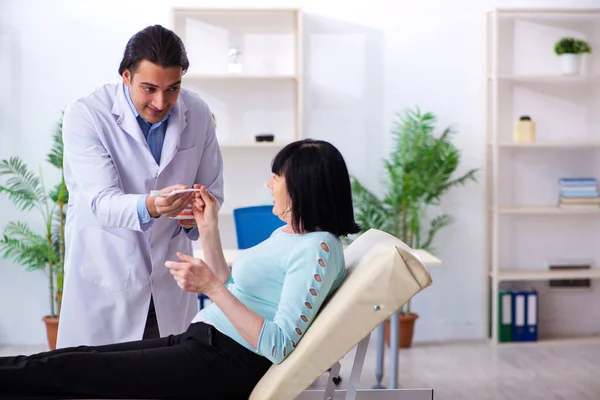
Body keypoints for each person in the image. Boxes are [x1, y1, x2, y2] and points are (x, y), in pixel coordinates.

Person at [0, 139, 360, 400]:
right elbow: (232, 286)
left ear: (305, 186)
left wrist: (213, 289)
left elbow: (279, 345)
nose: (269, 184)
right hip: (205, 340)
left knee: (76, 372)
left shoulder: (320, 248)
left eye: (277, 176)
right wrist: (208, 229)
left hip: (226, 362)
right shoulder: (288, 233)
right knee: (79, 358)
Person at [57, 24, 224, 348]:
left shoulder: (199, 112)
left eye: (173, 88)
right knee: (101, 387)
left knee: (167, 382)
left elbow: (213, 190)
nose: (161, 102)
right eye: (149, 88)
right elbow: (101, 201)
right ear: (126, 76)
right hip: (107, 276)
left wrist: (194, 216)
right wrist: (150, 206)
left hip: (170, 277)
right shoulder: (88, 115)